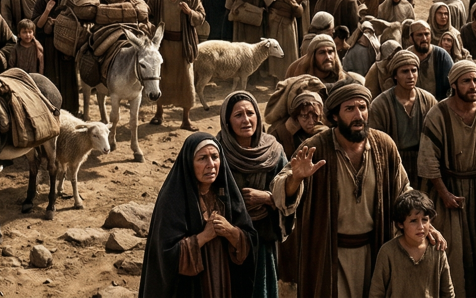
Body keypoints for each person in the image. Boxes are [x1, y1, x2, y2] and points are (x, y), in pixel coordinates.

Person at [273, 83, 419, 298]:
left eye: (362, 107)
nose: (358, 115)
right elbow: (279, 190)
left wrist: (420, 220)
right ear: (334, 117)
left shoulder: (384, 145)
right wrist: (296, 179)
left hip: (375, 249)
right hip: (330, 253)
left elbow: (403, 190)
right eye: (349, 109)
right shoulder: (316, 147)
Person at [419, 60, 476, 298]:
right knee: (453, 247)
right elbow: (428, 159)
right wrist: (444, 194)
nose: (473, 85)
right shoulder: (438, 114)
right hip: (449, 189)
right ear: (454, 85)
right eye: (466, 81)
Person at [139, 132, 256, 298]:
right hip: (190, 289)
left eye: (215, 157)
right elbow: (165, 256)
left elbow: (250, 240)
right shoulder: (172, 199)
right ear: (189, 163)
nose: (211, 164)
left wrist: (231, 232)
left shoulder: (227, 194)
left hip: (224, 281)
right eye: (202, 158)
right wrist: (204, 237)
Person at [218, 92, 290, 298]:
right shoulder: (218, 152)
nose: (246, 119)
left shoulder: (273, 150)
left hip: (262, 240)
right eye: (238, 115)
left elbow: (290, 192)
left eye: (250, 113)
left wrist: (268, 197)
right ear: (227, 121)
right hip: (227, 241)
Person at [149, 0, 207, 130]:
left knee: (186, 81)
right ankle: (159, 113)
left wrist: (190, 12)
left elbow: (201, 16)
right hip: (163, 44)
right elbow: (149, 14)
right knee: (161, 78)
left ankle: (186, 119)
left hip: (184, 44)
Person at [370, 190, 456, 298]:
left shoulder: (437, 250)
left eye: (425, 220)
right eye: (413, 221)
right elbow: (376, 293)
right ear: (401, 224)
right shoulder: (388, 252)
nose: (421, 226)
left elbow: (448, 293)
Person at [369, 50, 437, 183]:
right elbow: (376, 142)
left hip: (423, 162)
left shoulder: (429, 101)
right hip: (393, 162)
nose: (411, 76)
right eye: (405, 71)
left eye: (414, 70)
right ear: (395, 75)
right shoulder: (380, 105)